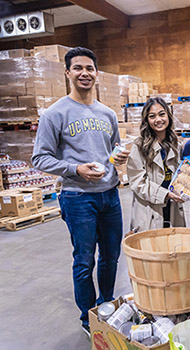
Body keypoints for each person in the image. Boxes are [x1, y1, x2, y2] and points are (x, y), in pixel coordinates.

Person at [31, 47, 130, 336]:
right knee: (84, 260)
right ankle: (88, 317)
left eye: (89, 68)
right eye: (78, 68)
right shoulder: (55, 113)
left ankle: (106, 306)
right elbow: (40, 158)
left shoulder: (107, 113)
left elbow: (113, 147)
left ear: (96, 74)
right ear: (68, 73)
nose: (84, 73)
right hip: (76, 197)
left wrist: (118, 156)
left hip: (109, 194)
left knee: (111, 256)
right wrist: (75, 169)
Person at [127, 97, 186, 231]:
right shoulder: (139, 146)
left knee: (173, 247)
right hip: (149, 209)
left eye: (162, 114)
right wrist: (164, 194)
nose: (158, 120)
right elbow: (138, 182)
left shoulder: (175, 144)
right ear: (147, 120)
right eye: (152, 116)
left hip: (172, 207)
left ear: (168, 115)